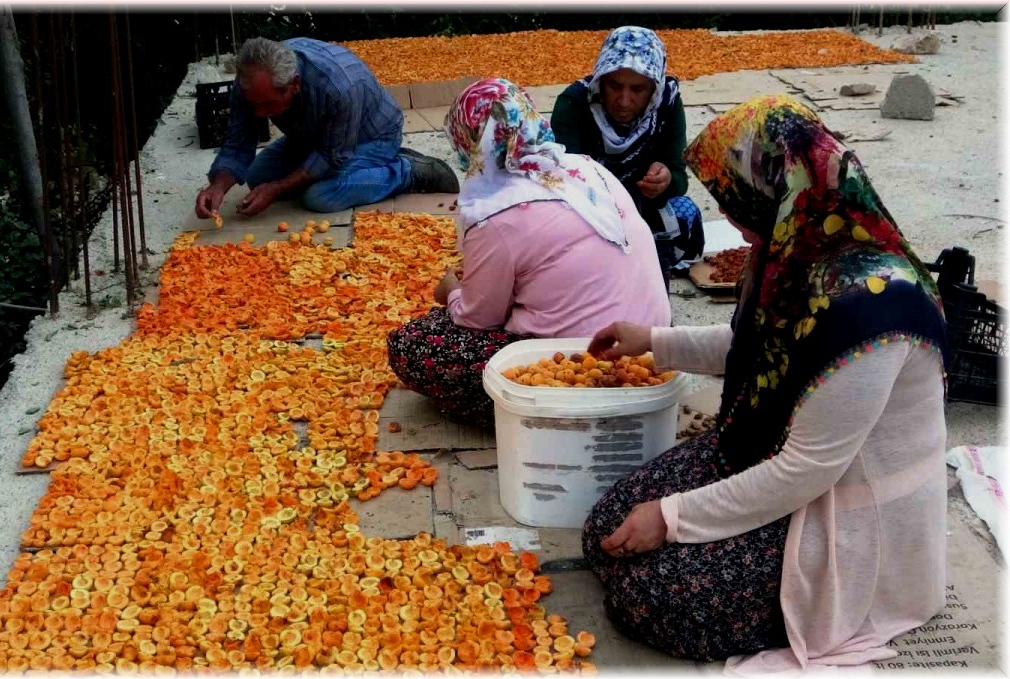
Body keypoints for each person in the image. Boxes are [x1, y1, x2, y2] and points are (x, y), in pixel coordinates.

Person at [580, 95, 949, 673]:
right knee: (603, 527)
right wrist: (653, 339)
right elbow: (759, 352)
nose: (728, 217)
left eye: (732, 198)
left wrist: (673, 518)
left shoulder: (873, 305)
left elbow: (806, 470)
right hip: (770, 452)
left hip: (838, 506)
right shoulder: (795, 252)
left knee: (650, 596)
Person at [386, 78, 671, 429]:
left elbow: (478, 318)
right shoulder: (585, 168)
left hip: (583, 371)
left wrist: (451, 292)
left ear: (468, 143)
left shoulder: (495, 214)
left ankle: (539, 423)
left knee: (414, 344)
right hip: (652, 350)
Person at [194, 37, 458, 219]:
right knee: (256, 176)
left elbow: (330, 156)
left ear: (294, 85)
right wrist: (217, 187)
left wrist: (278, 188)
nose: (259, 114)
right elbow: (239, 141)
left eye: (268, 105)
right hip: (312, 135)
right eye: (255, 105)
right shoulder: (250, 84)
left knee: (320, 197)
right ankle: (367, 170)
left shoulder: (338, 88)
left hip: (371, 135)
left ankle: (408, 171)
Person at [551, 27, 704, 288]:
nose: (624, 100)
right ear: (601, 80)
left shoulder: (667, 105)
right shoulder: (574, 104)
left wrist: (665, 181)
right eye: (614, 85)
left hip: (643, 206)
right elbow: (562, 181)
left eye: (637, 89)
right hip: (590, 210)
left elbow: (680, 177)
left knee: (685, 215)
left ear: (653, 89)